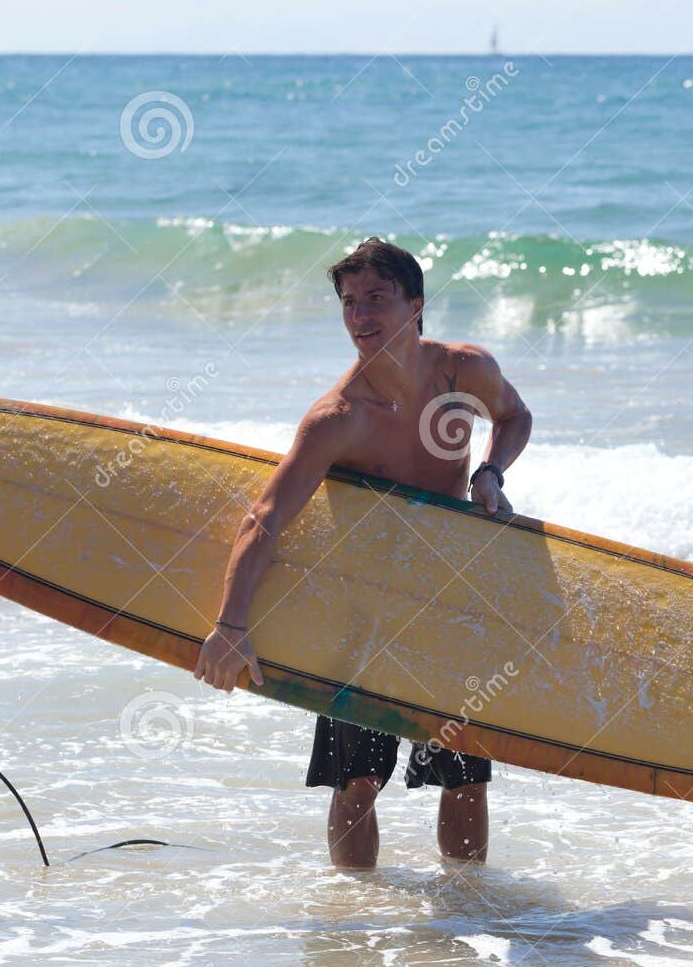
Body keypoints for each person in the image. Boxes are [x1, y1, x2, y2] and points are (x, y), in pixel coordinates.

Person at [192, 237, 533, 871]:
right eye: (350, 303)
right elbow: (265, 518)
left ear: (416, 305)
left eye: (377, 298)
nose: (361, 316)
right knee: (358, 779)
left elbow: (515, 417)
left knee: (463, 776)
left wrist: (491, 473)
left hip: (448, 598)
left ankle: (469, 916)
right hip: (363, 604)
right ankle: (355, 922)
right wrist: (230, 626)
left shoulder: (464, 372)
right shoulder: (337, 418)